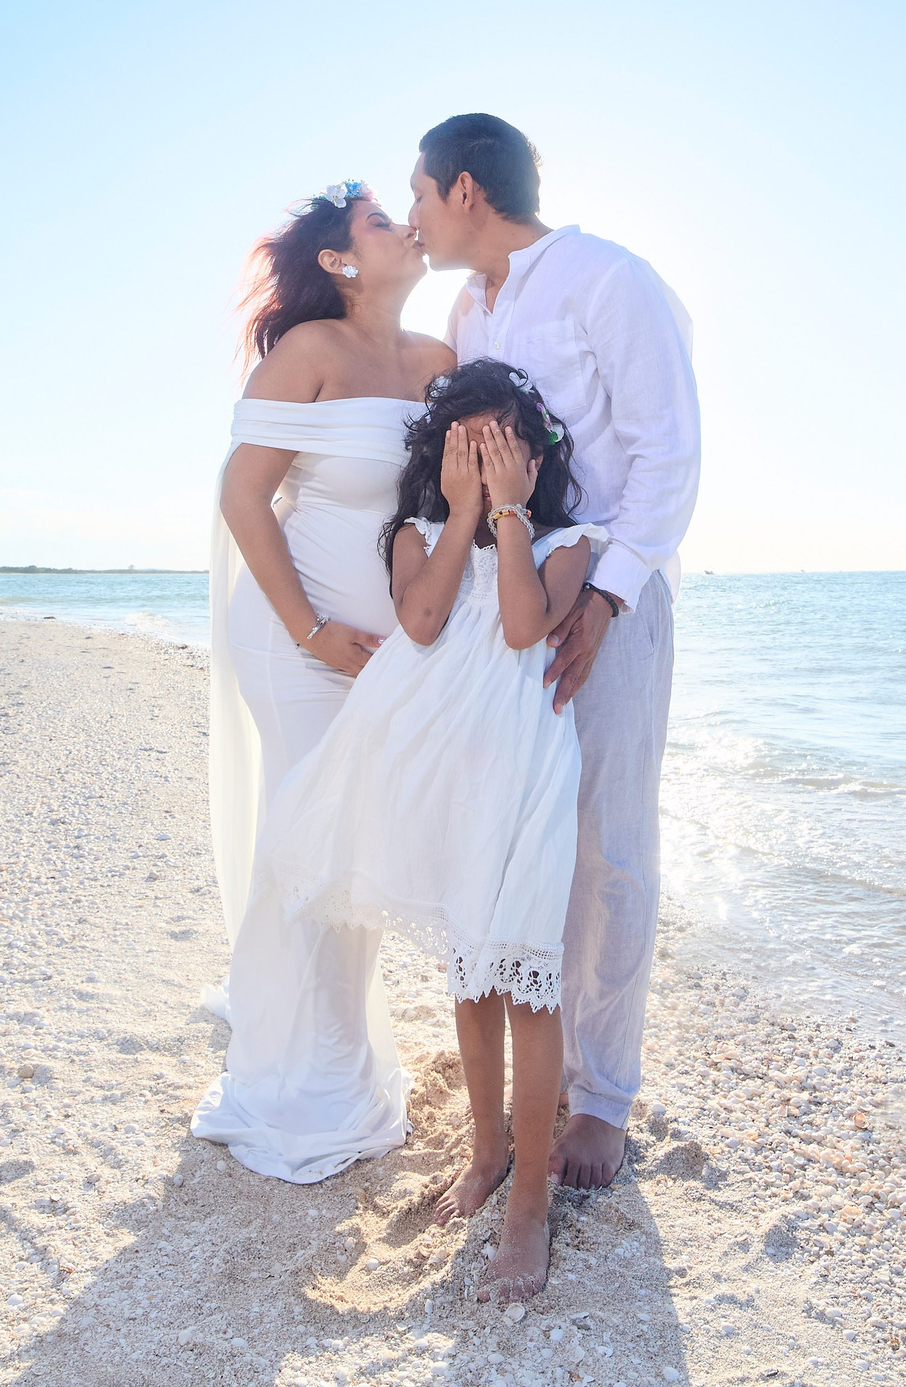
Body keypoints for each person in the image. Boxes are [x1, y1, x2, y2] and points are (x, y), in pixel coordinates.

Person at [267, 360, 604, 1303]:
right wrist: (461, 515)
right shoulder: (419, 536)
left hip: (527, 775)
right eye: (471, 449)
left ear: (536, 457)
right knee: (470, 970)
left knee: (525, 972)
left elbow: (521, 628)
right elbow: (420, 623)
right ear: (442, 458)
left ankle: (529, 1198)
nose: (490, 465)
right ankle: (487, 1150)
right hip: (452, 781)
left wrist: (511, 514)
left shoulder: (568, 544)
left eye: (506, 447)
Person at [408, 115, 700, 1190]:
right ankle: (539, 1066)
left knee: (608, 845)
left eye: (419, 194)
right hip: (511, 610)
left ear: (466, 190)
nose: (413, 216)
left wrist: (609, 596)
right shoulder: (466, 310)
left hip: (610, 593)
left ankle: (602, 1096)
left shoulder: (607, 279)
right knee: (520, 839)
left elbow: (670, 455)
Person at [190, 181, 456, 1183]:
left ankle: (330, 1053)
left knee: (360, 840)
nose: (406, 227)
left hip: (387, 651)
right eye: (380, 222)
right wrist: (310, 630)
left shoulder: (437, 361)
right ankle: (303, 1084)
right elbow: (242, 496)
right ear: (340, 261)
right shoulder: (309, 352)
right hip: (289, 635)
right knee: (314, 841)